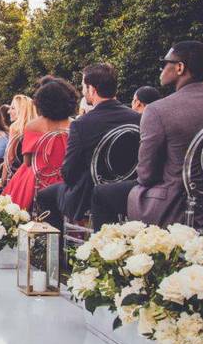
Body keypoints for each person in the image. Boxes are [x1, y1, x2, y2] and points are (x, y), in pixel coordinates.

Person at [91, 41, 203, 228]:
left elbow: (146, 175)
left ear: (180, 67)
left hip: (179, 206)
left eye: (164, 63)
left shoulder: (159, 110)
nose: (162, 68)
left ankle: (112, 254)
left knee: (101, 194)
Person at [35, 64, 141, 230]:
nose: (83, 90)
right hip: (129, 189)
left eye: (84, 86)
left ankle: (58, 251)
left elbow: (69, 172)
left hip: (90, 193)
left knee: (44, 195)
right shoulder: (137, 118)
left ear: (92, 89)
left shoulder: (82, 124)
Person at [3, 79, 77, 210]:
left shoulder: (32, 126)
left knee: (23, 175)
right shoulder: (75, 126)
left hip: (39, 180)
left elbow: (27, 162)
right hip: (68, 179)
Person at [0, 95, 37, 191]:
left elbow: (10, 157)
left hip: (17, 177)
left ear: (21, 110)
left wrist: (2, 182)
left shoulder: (15, 128)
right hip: (35, 178)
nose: (8, 111)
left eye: (12, 108)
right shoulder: (36, 128)